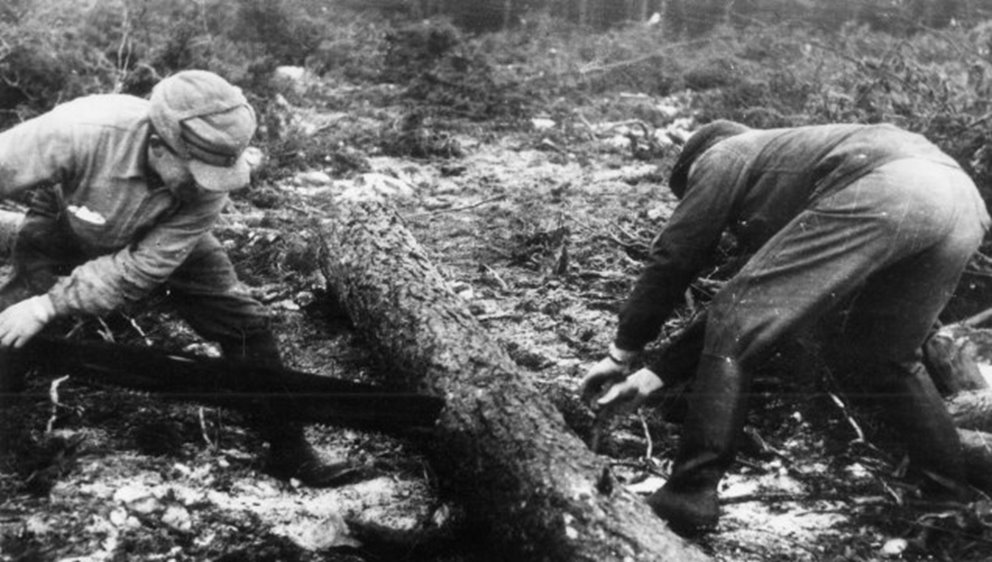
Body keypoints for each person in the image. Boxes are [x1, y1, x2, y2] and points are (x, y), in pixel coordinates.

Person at [581, 120, 990, 535]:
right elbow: (748, 306)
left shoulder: (722, 154)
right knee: (885, 354)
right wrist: (654, 375)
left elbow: (676, 255)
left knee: (737, 320)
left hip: (897, 187)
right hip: (962, 204)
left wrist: (622, 351)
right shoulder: (787, 166)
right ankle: (946, 496)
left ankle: (689, 494)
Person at [0, 69, 348, 487]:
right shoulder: (81, 129)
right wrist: (33, 304)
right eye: (196, 173)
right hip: (67, 215)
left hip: (161, 230)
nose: (206, 187)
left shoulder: (208, 185)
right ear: (158, 146)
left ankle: (289, 448)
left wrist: (49, 306)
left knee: (242, 323)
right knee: (11, 317)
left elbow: (140, 268)